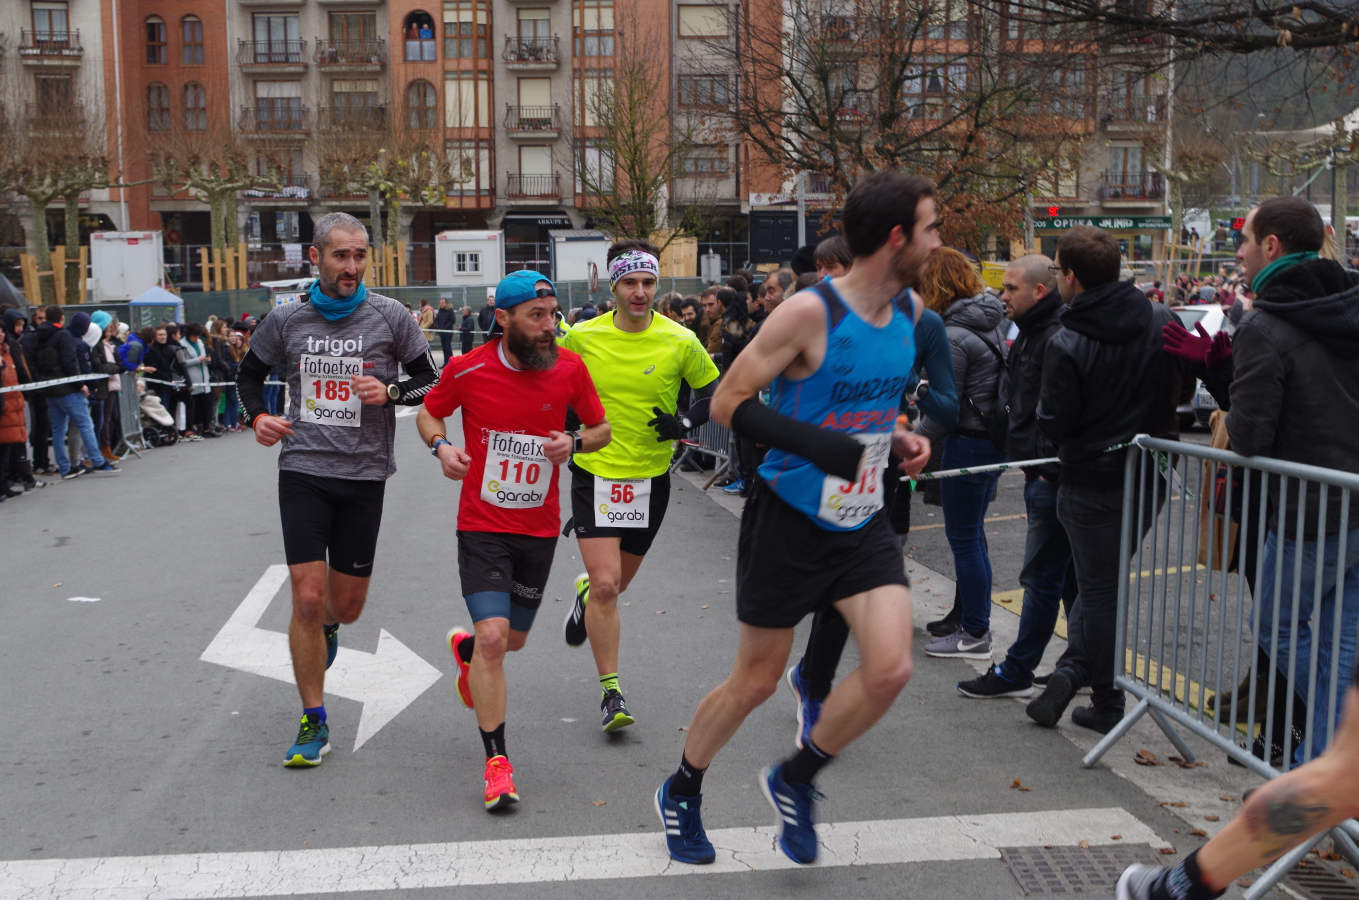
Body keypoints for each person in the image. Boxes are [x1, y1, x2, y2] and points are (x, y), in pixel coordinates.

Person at [655, 171, 936, 866]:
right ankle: (682, 788)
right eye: (931, 228)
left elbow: (869, 403)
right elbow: (727, 404)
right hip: (788, 513)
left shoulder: (909, 310)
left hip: (861, 514)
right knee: (755, 679)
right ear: (896, 236)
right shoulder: (810, 313)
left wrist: (896, 434)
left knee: (891, 668)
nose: (937, 242)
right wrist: (825, 447)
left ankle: (796, 775)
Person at [236, 211, 438, 767]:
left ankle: (329, 626)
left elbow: (430, 378)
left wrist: (391, 391)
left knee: (344, 607)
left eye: (359, 256)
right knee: (305, 596)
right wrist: (257, 419)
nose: (351, 266)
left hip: (365, 474)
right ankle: (313, 719)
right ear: (317, 258)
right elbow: (248, 376)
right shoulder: (287, 320)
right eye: (340, 256)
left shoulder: (391, 316)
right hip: (303, 468)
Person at [417, 270, 611, 810]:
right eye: (537, 317)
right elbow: (430, 412)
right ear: (503, 320)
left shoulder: (570, 368)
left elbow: (601, 429)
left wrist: (572, 441)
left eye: (553, 315)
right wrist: (441, 448)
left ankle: (468, 658)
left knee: (512, 642)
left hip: (539, 527)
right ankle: (497, 763)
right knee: (496, 638)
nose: (551, 327)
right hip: (481, 523)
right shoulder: (468, 368)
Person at [1025, 226, 1191, 734]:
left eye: (1056, 271)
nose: (1056, 279)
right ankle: (1081, 675)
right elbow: (1180, 387)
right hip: (1148, 473)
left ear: (1071, 278)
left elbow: (1055, 421)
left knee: (1097, 590)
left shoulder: (1067, 338)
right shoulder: (1160, 317)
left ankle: (1102, 695)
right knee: (1105, 585)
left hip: (1090, 477)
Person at [560, 240, 721, 732]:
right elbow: (553, 383)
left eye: (648, 283)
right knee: (610, 585)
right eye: (630, 283)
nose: (640, 292)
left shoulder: (680, 340)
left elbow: (712, 391)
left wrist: (683, 421)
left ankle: (587, 595)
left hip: (650, 479)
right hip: (595, 472)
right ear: (613, 288)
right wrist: (567, 434)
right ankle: (612, 692)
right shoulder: (583, 337)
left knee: (614, 586)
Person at [1222, 196, 1359, 764]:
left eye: (1246, 241)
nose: (1239, 252)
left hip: (1308, 512)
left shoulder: (1265, 324)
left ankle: (1322, 766)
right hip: (1351, 505)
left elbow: (1251, 435)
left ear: (1271, 246)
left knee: (1278, 628)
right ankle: (1322, 778)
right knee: (1341, 647)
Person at [956, 254, 1077, 698]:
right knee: (1065, 579)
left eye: (1010, 288)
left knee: (1043, 578)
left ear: (1039, 291)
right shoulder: (1032, 331)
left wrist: (1045, 468)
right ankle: (1083, 665)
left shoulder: (1053, 335)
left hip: (1048, 475)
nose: (1001, 296)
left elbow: (1056, 409)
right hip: (1040, 470)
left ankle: (1018, 669)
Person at [914, 248, 1008, 660]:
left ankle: (974, 632)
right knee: (973, 536)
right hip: (987, 439)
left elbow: (944, 407)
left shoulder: (952, 334)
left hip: (968, 440)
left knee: (965, 538)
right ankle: (969, 620)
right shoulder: (986, 321)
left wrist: (915, 439)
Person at [27, 305, 117, 479]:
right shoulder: (64, 336)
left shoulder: (38, 336)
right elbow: (70, 362)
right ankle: (98, 461)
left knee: (58, 429)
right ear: (61, 318)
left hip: (50, 389)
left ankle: (65, 467)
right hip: (69, 388)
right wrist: (81, 384)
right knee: (85, 424)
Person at [433, 298, 456, 362]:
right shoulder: (440, 310)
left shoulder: (450, 310)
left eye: (443, 302)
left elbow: (452, 320)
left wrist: (445, 327)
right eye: (440, 303)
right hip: (441, 332)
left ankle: (450, 362)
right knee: (444, 348)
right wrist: (437, 327)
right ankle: (445, 362)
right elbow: (437, 320)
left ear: (446, 303)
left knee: (447, 347)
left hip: (448, 332)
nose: (441, 304)